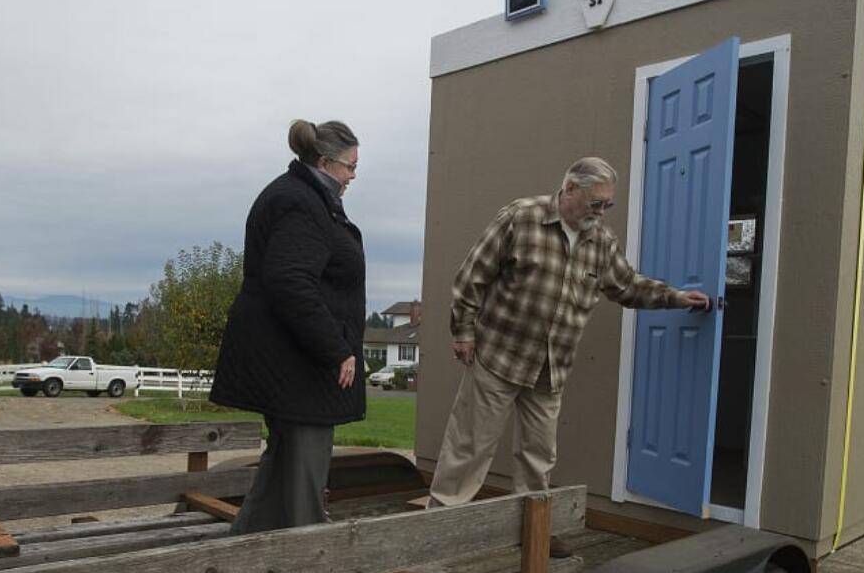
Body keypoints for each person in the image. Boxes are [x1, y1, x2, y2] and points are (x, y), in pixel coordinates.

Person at [428, 156, 712, 508]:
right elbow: (473, 275)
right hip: (498, 356)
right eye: (596, 203)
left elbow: (627, 286)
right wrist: (463, 332)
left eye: (608, 204)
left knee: (538, 458)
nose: (602, 212)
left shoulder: (602, 242)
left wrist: (676, 297)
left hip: (551, 368)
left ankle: (533, 532)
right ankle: (438, 527)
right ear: (570, 189)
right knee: (469, 448)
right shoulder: (521, 217)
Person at [210, 119, 365, 533]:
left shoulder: (306, 196)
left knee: (285, 461)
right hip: (297, 362)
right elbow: (290, 282)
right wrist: (336, 348)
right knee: (305, 468)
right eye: (350, 166)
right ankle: (307, 560)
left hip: (291, 359)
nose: (353, 176)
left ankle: (247, 543)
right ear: (325, 161)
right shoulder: (301, 201)